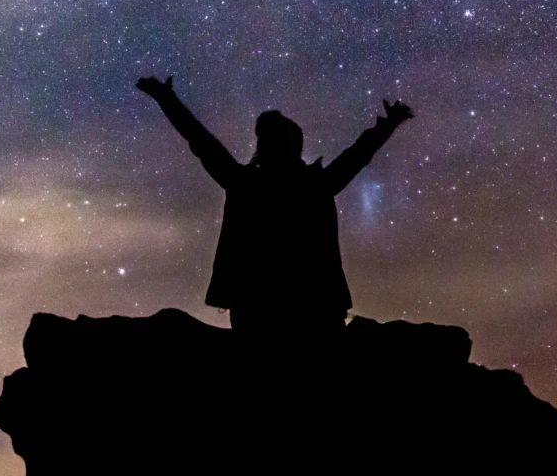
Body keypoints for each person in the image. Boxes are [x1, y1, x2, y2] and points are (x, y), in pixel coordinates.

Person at [135, 75, 414, 337]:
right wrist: (387, 125)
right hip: (316, 306)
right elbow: (358, 154)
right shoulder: (317, 184)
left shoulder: (245, 184)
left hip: (257, 306)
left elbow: (201, 141)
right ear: (297, 146)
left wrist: (167, 100)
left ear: (263, 147)